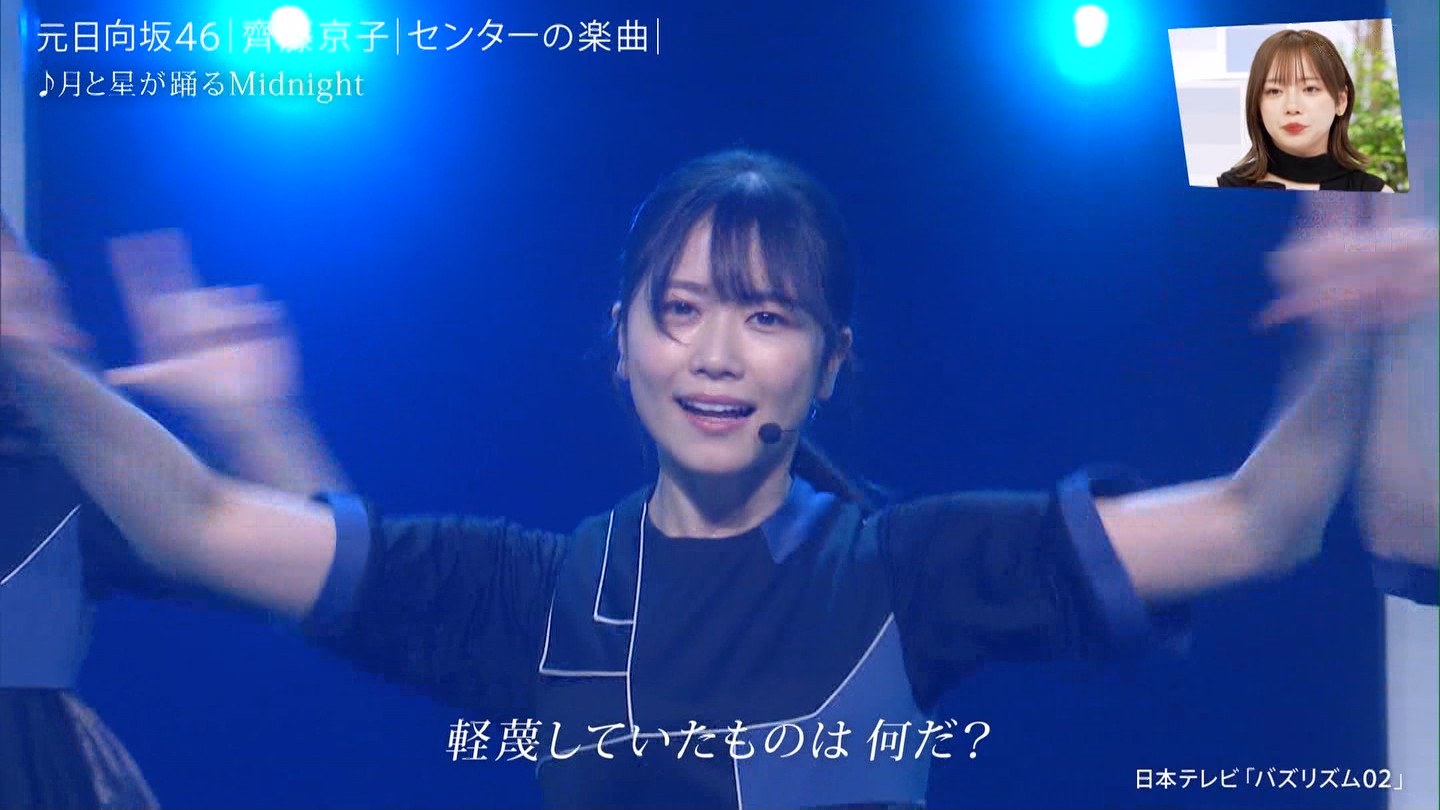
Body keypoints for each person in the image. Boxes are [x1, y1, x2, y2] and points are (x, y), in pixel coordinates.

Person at [0, 149, 1414, 808]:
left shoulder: (910, 568)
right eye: (677, 310)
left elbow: (1260, 521)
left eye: (767, 314)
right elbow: (198, 519)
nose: (716, 354)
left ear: (831, 360)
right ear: (618, 340)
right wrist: (41, 362)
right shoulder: (531, 593)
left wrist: (1349, 323)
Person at [0, 211, 345, 809]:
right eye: (21, 312)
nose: (61, 344)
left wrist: (254, 424)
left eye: (46, 309)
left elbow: (335, 577)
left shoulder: (49, 477)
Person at [1218, 28, 1394, 192]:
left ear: (1341, 101)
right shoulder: (1224, 191)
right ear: (1257, 104)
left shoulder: (1377, 196)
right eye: (1274, 91)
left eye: (1310, 89)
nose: (1292, 107)